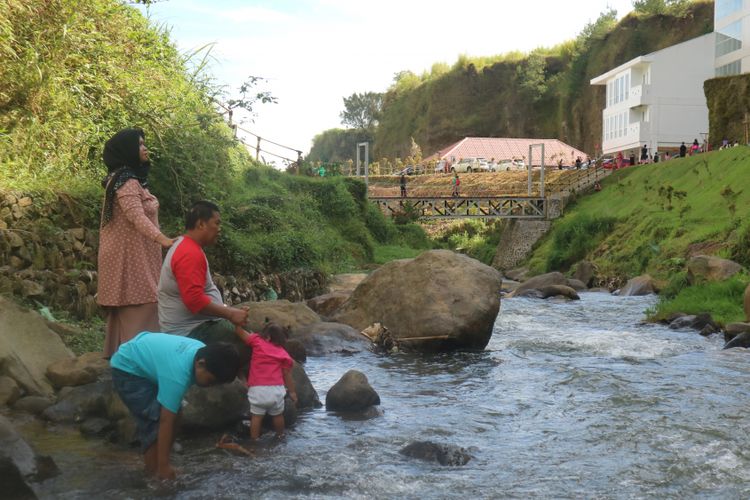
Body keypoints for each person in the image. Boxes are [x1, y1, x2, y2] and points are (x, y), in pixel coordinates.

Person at [111, 332, 241, 480]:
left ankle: (163, 461)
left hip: (146, 359)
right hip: (128, 369)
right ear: (201, 363)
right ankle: (154, 473)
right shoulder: (178, 375)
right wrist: (164, 466)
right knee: (154, 422)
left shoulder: (204, 353)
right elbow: (165, 421)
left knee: (177, 412)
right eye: (211, 381)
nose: (211, 386)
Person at [97, 128, 174, 358]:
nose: (145, 148)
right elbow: (136, 215)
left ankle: (123, 357)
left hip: (136, 254)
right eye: (139, 145)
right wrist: (163, 240)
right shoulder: (127, 180)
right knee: (143, 302)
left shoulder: (130, 179)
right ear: (127, 150)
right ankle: (137, 359)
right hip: (129, 256)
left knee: (138, 302)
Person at [158, 201, 249, 346]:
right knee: (252, 341)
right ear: (201, 224)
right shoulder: (189, 253)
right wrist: (230, 314)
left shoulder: (186, 246)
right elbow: (194, 300)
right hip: (190, 332)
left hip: (197, 325)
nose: (219, 229)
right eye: (217, 223)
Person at [232, 323, 297, 440]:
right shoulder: (284, 355)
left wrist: (238, 324)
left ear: (267, 337)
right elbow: (287, 375)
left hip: (257, 389)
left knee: (256, 417)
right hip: (276, 390)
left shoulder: (257, 342)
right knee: (278, 416)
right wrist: (292, 392)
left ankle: (254, 440)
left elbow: (240, 332)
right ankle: (280, 435)